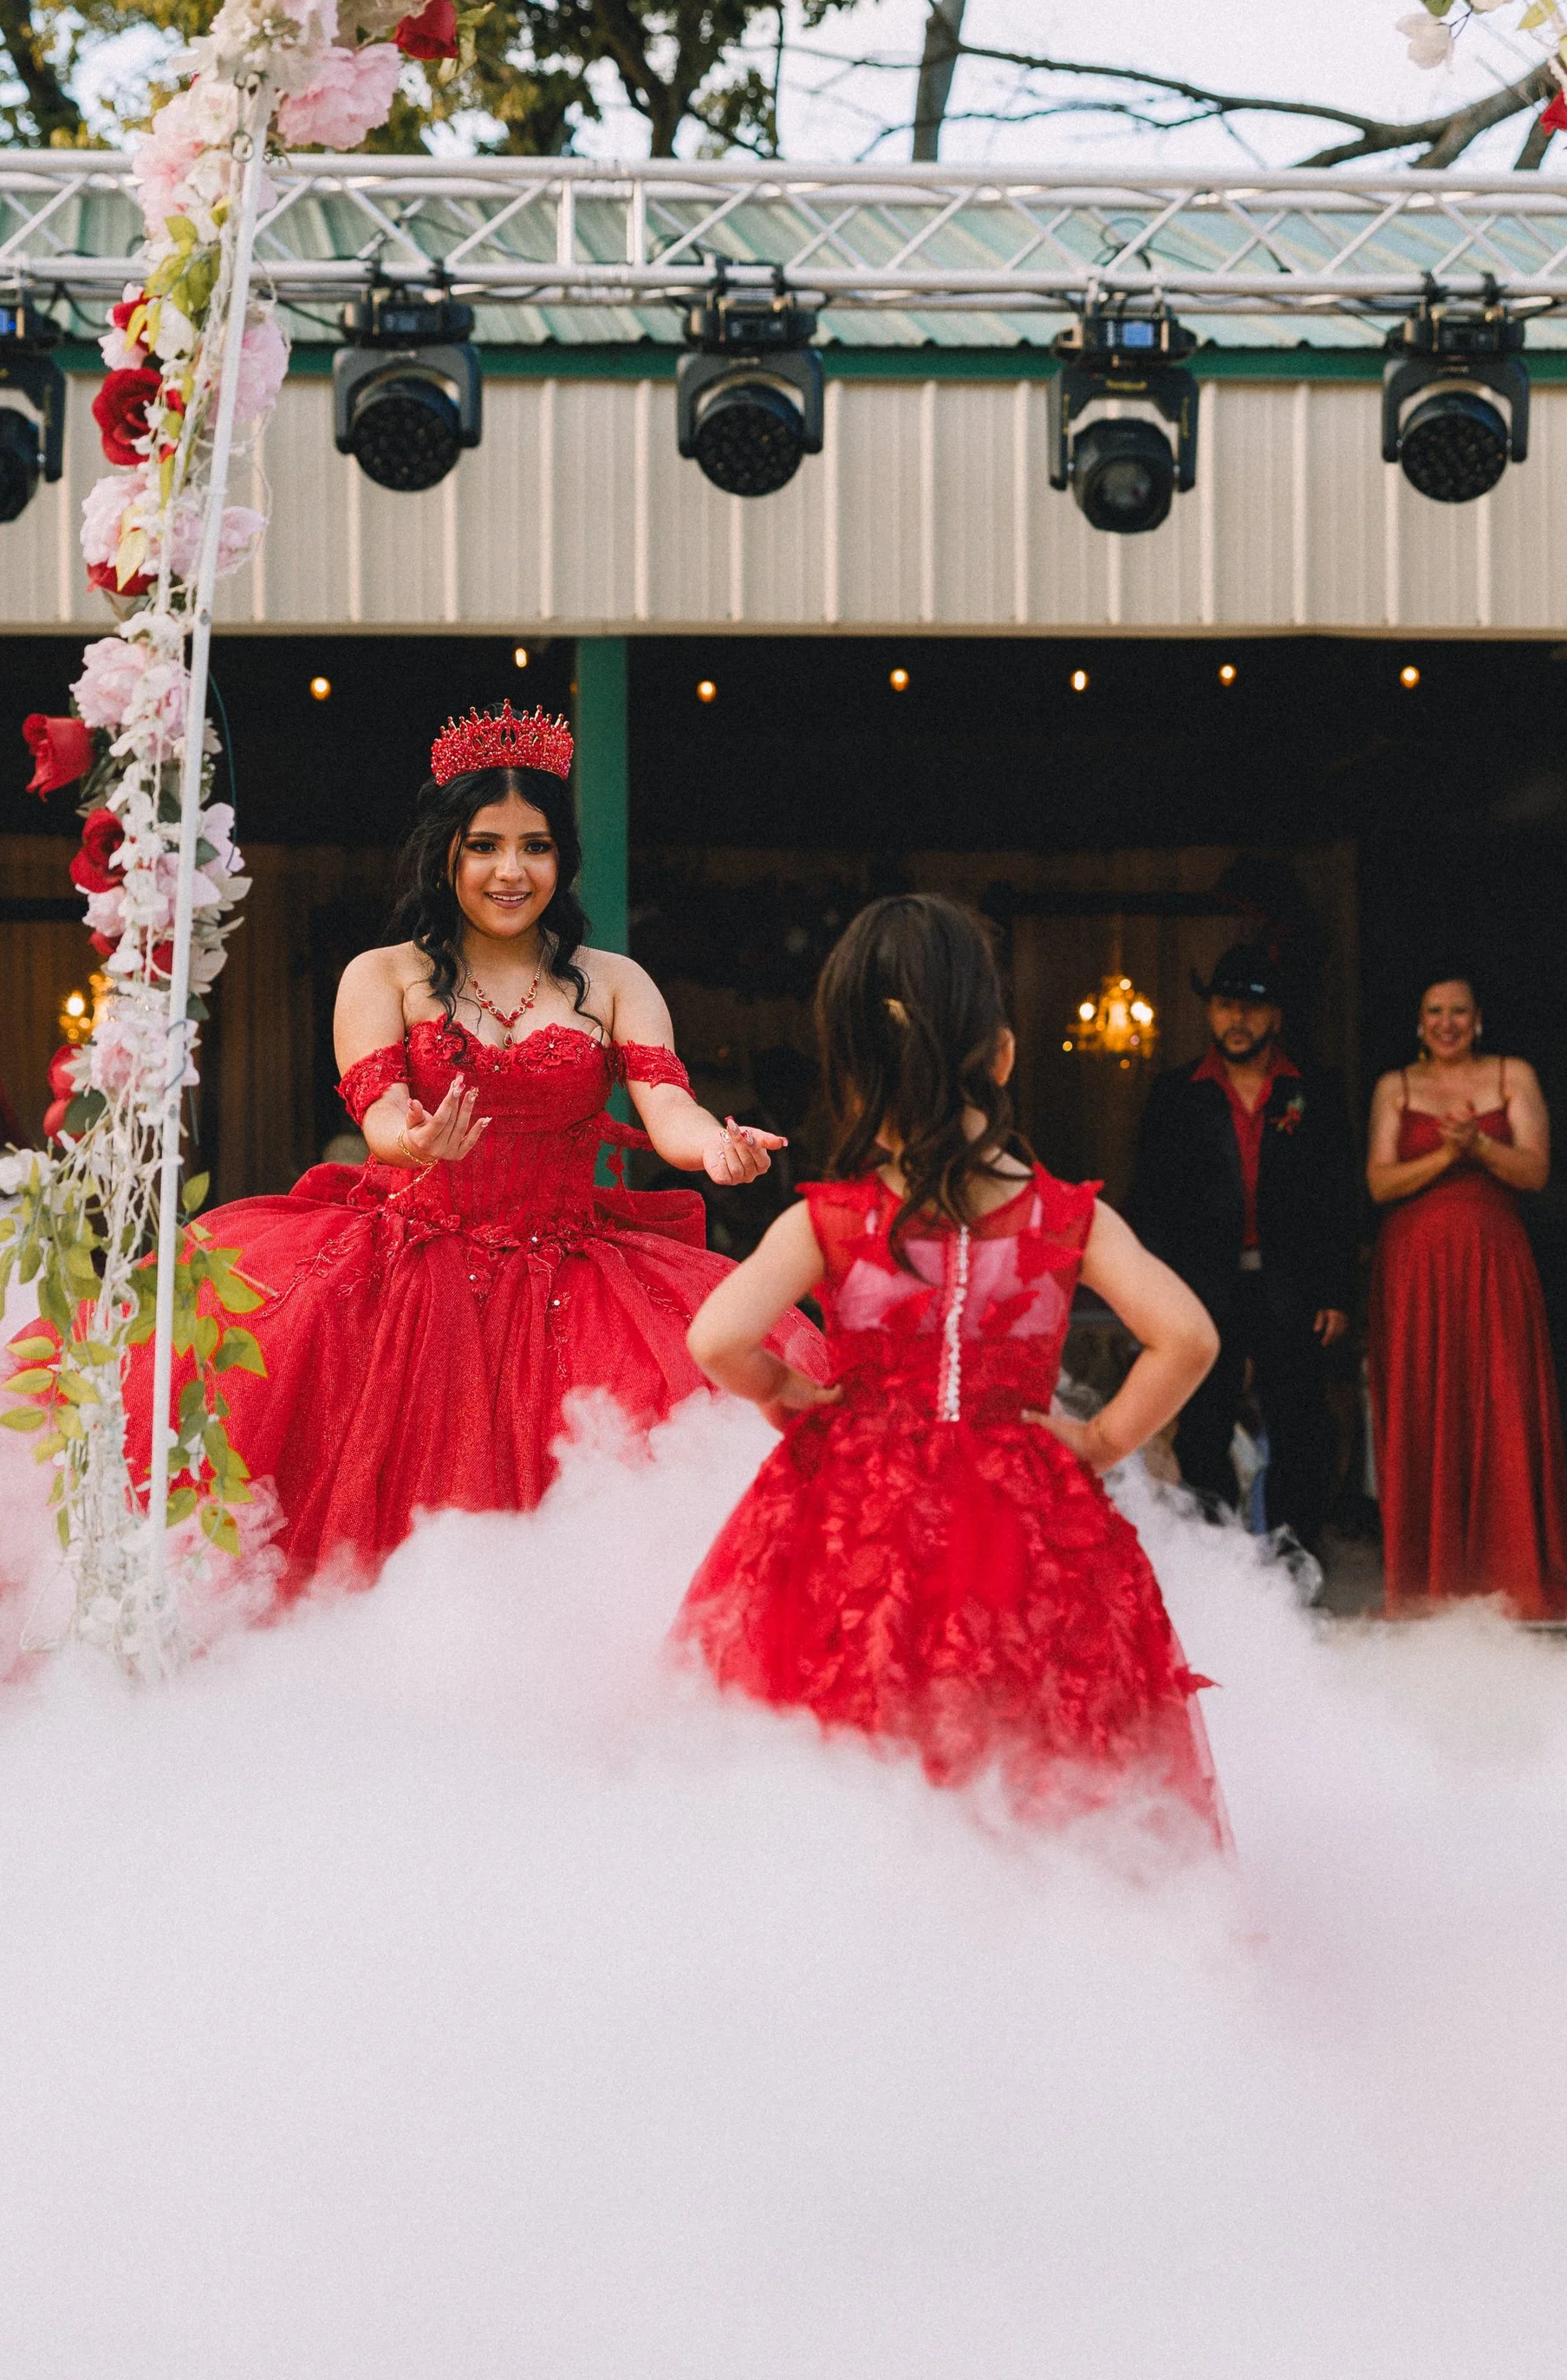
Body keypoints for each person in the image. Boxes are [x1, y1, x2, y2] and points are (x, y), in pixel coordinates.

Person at [148, 700, 823, 1587]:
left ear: (561, 859)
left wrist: (718, 1150)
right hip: (408, 1272)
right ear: (446, 855)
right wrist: (414, 1140)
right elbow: (378, 1111)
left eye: (535, 846)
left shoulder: (614, 982)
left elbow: (669, 1108)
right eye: (484, 846)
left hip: (573, 1279)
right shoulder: (383, 973)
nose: (512, 871)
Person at [677, 894, 1226, 1830]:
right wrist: (1097, 1439)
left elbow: (716, 1339)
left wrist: (783, 1394)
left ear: (852, 1081)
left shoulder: (830, 1219)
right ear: (1002, 1057)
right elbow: (1188, 1338)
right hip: (1023, 1510)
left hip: (854, 1507)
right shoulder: (1067, 1216)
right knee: (1031, 1747)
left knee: (854, 1748)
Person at [1365, 972, 1567, 1622]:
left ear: (1478, 1018)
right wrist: (1445, 1158)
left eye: (1459, 1012)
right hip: (1415, 1267)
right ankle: (1428, 1574)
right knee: (1425, 1398)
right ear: (1418, 1021)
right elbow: (1379, 1183)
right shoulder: (1396, 1086)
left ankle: (1512, 1566)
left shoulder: (1511, 1076)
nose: (1446, 1023)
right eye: (1434, 1011)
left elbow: (1536, 1170)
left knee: (1500, 1398)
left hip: (1492, 1257)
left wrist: (1480, 1147)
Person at [1127, 944, 1358, 1553]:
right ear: (1209, 1013)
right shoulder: (1176, 1094)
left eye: (1252, 1009)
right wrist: (1155, 1296)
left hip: (1293, 1286)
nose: (1237, 1020)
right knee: (1202, 1431)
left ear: (1276, 1017)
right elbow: (1151, 1201)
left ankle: (1293, 1566)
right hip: (1202, 1288)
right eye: (1226, 1006)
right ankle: (1215, 1562)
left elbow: (1340, 1196)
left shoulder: (1316, 1092)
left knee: (1300, 1428)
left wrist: (1337, 1291)